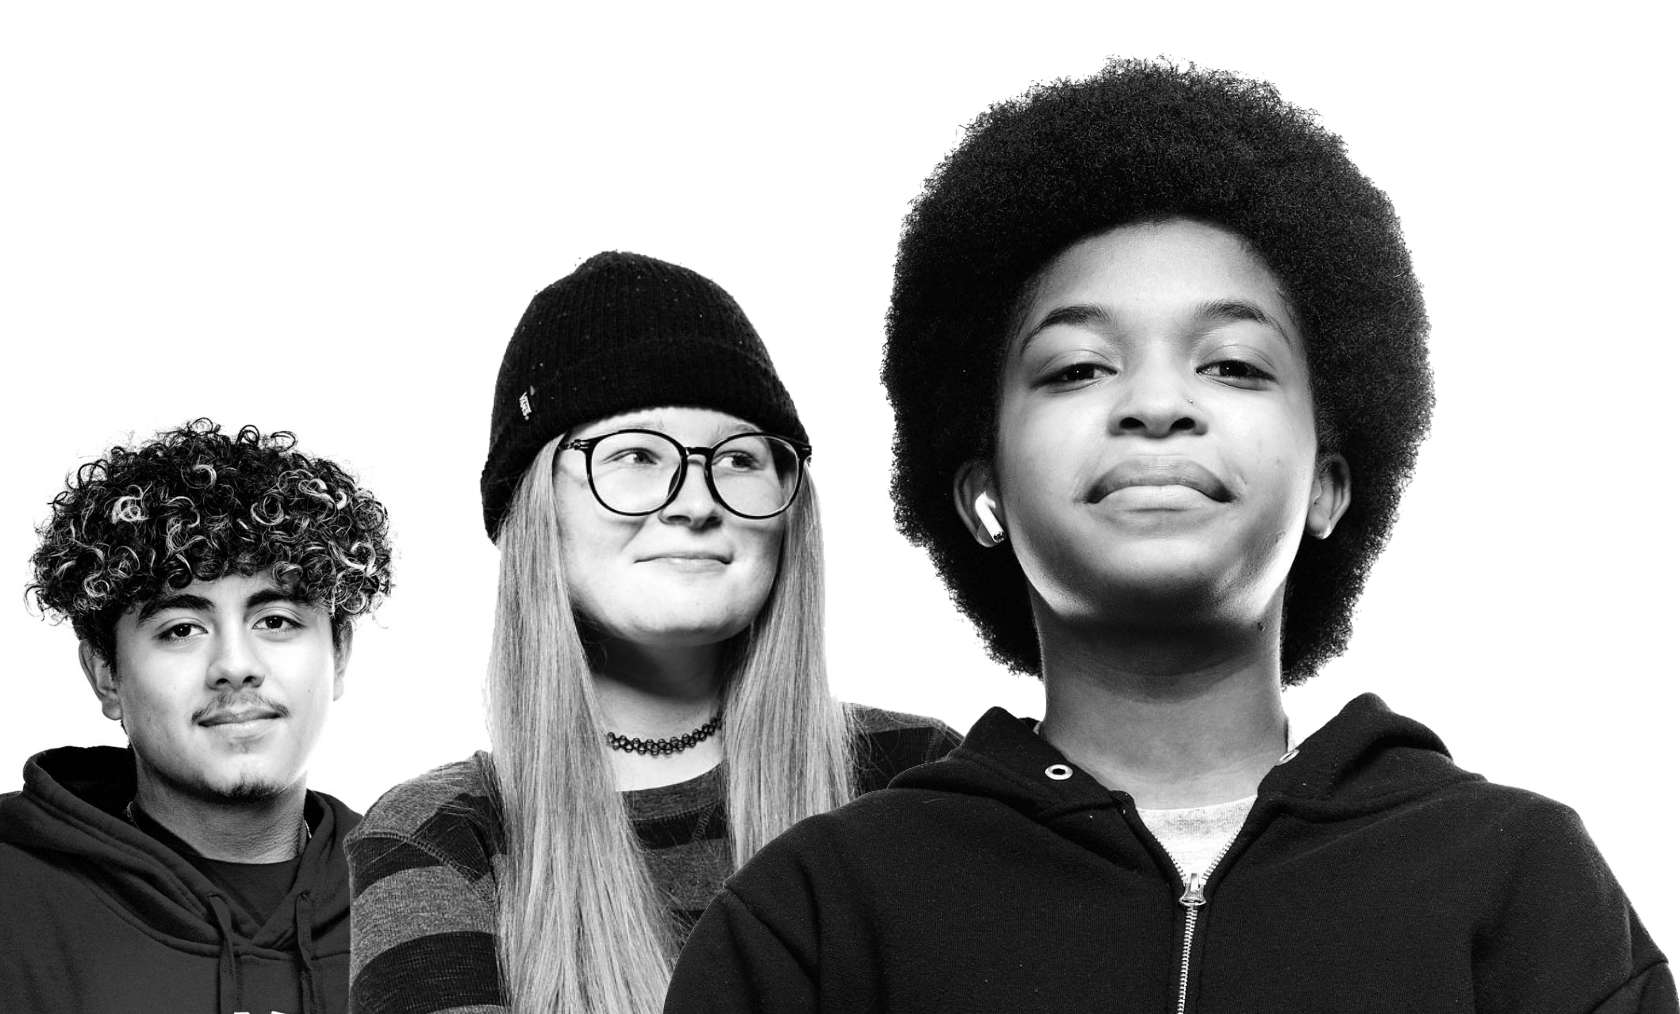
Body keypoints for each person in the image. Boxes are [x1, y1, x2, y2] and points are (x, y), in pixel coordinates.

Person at [664, 61, 1676, 1012]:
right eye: (1077, 368)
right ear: (981, 494)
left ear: (1328, 484)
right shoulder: (815, 920)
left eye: (1233, 364)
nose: (1156, 403)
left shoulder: (1523, 885)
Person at [346, 251, 959, 1014]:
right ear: (535, 513)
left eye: (738, 458)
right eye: (634, 454)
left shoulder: (919, 777)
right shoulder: (437, 837)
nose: (695, 502)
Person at [1, 419, 392, 1014]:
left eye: (277, 621)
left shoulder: (424, 886)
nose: (235, 666)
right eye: (182, 629)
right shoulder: (12, 895)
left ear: (339, 656)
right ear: (106, 674)